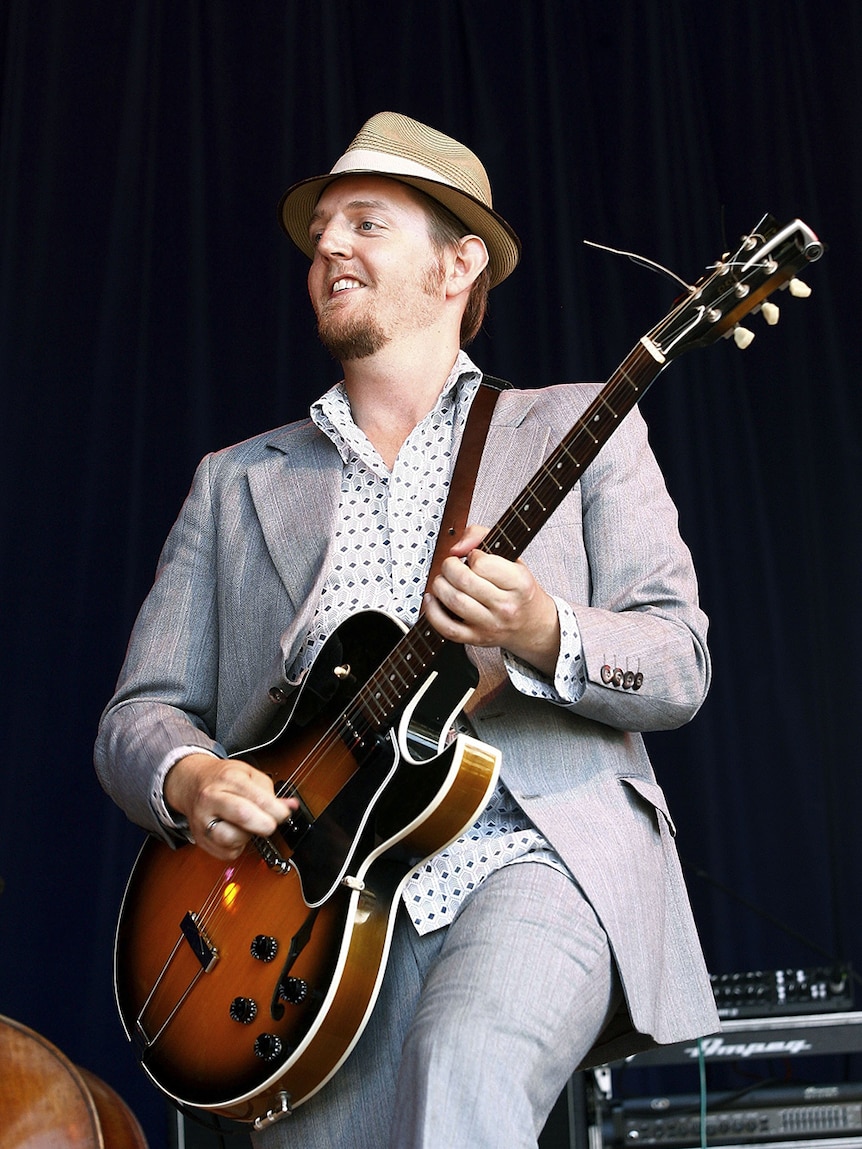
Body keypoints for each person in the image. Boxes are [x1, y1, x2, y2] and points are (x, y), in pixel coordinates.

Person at [95, 111, 719, 1148]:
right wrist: (190, 779)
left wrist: (542, 629)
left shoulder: (578, 428)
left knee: (465, 1071)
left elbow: (678, 662)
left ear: (457, 265)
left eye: (366, 223)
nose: (329, 245)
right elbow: (139, 714)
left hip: (528, 856)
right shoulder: (235, 481)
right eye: (321, 231)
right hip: (307, 931)